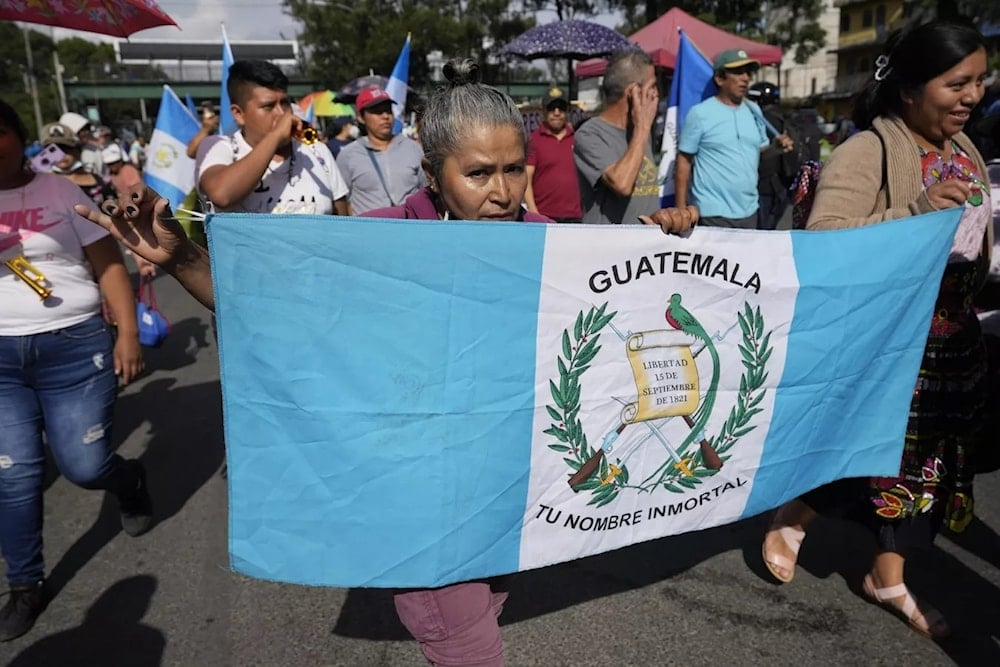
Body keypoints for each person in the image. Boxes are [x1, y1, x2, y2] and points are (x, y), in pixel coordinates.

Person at [77, 59, 697, 665]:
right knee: (470, 647)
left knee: (487, 603)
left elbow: (620, 307)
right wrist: (183, 258)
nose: (503, 193)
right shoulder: (378, 244)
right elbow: (272, 308)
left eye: (514, 170)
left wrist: (663, 241)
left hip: (505, 490)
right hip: (418, 500)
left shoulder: (540, 237)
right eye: (479, 174)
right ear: (433, 173)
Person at [760, 20, 991, 640]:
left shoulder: (964, 149)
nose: (973, 96)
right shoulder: (868, 150)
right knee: (866, 455)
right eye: (958, 83)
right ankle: (797, 511)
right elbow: (823, 240)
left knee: (927, 473)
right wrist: (914, 212)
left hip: (950, 346)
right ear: (910, 89)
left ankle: (887, 577)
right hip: (890, 348)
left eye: (980, 82)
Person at [0, 100, 152, 642]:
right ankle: (24, 585)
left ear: (19, 138)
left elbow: (109, 264)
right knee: (13, 476)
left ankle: (129, 480)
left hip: (73, 345)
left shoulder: (61, 191)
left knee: (84, 465)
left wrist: (128, 333)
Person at [197, 59, 349, 215]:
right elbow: (221, 195)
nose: (282, 113)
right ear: (239, 114)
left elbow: (344, 224)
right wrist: (275, 136)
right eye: (268, 106)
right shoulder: (219, 147)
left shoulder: (317, 152)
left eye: (285, 103)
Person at [675, 50, 794, 229]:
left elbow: (758, 154)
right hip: (712, 214)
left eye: (748, 72)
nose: (746, 78)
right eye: (738, 72)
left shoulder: (754, 111)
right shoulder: (700, 114)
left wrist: (775, 148)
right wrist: (680, 209)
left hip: (750, 211)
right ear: (720, 79)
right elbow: (683, 162)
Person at [574, 49, 662, 225]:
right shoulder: (589, 134)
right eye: (652, 86)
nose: (656, 94)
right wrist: (643, 129)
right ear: (633, 92)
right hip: (610, 249)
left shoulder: (639, 130)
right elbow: (621, 184)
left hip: (647, 250)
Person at [336, 85, 425, 214]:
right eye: (377, 111)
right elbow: (342, 200)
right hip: (367, 231)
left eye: (388, 111)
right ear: (361, 117)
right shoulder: (348, 155)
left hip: (408, 229)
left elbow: (427, 190)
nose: (385, 116)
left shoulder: (413, 149)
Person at [525, 86, 582, 222]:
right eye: (552, 108)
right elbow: (526, 179)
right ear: (544, 111)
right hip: (545, 216)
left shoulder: (579, 139)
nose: (557, 113)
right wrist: (534, 213)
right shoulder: (534, 140)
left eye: (561, 108)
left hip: (576, 217)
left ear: (567, 111)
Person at [747, 82, 794, 230]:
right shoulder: (785, 119)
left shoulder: (760, 121)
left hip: (764, 187)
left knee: (758, 237)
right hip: (782, 186)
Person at [41, 122, 115, 206]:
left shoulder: (98, 180)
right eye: (54, 150)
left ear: (77, 150)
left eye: (66, 148)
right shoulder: (40, 185)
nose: (62, 154)